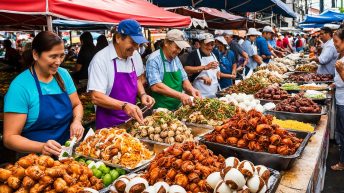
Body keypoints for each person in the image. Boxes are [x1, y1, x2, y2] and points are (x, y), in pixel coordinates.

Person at [3, 31, 84, 156]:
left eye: (61, 56)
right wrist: (41, 147)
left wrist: (77, 121)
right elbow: (9, 138)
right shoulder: (20, 86)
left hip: (66, 152)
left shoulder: (63, 75)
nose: (58, 62)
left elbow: (77, 105)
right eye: (53, 56)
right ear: (35, 54)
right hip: (34, 160)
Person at [88, 19, 155, 129]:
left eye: (138, 44)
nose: (136, 47)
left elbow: (137, 79)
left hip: (132, 120)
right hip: (108, 126)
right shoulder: (100, 60)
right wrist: (124, 106)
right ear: (118, 38)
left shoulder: (134, 55)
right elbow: (96, 97)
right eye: (133, 42)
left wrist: (143, 94)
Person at [146, 29, 201, 110]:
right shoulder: (154, 59)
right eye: (177, 47)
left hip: (177, 107)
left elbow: (184, 79)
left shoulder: (176, 59)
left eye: (180, 48)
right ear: (166, 43)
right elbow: (156, 86)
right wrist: (180, 95)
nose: (179, 51)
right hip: (161, 110)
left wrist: (192, 90)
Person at [185, 33, 220, 98]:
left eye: (212, 44)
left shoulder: (214, 54)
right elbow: (186, 69)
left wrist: (218, 72)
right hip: (200, 93)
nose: (210, 47)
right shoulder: (194, 54)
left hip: (214, 92)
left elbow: (217, 69)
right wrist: (204, 67)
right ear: (200, 44)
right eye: (207, 44)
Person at [330, 28, 344, 171]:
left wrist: (340, 71)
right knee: (341, 132)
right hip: (340, 98)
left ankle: (342, 163)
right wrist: (336, 82)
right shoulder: (341, 56)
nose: (335, 44)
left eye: (336, 41)